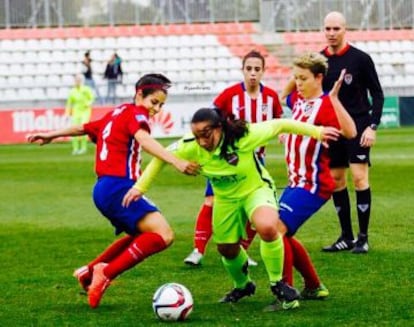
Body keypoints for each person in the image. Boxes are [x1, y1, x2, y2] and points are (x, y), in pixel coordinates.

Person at [124, 108, 341, 309]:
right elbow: (160, 157)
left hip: (255, 190)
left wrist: (318, 131)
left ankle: (279, 284)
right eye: (196, 135)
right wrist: (140, 187)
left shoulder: (244, 135)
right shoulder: (190, 145)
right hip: (225, 199)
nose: (201, 141)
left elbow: (280, 124)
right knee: (226, 249)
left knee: (267, 226)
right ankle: (243, 285)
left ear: (219, 128)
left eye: (205, 134)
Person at [27, 73, 200, 309]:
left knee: (142, 236)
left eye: (161, 105)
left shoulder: (116, 113)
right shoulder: (136, 114)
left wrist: (50, 135)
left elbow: (83, 128)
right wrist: (176, 161)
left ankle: (89, 272)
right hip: (119, 186)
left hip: (103, 189)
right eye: (154, 102)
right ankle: (105, 273)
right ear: (140, 94)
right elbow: (144, 139)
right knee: (164, 235)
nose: (157, 109)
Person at [183, 50, 283, 266]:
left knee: (254, 209)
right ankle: (197, 251)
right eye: (249, 69)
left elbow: (278, 120)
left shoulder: (271, 97)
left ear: (263, 71)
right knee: (211, 201)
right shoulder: (229, 95)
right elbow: (212, 119)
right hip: (226, 160)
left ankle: (243, 252)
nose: (253, 73)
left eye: (257, 69)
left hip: (256, 162)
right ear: (243, 70)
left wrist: (282, 134)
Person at [279, 52, 356, 298]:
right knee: (283, 233)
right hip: (296, 182)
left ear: (319, 77)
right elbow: (284, 95)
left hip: (313, 184)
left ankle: (286, 292)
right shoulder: (299, 101)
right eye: (296, 78)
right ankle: (313, 286)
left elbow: (351, 131)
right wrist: (300, 71)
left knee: (276, 230)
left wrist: (333, 97)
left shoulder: (325, 105)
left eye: (303, 79)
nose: (297, 84)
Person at [320, 11, 384, 254]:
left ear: (345, 29)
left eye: (336, 29)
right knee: (337, 181)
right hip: (333, 129)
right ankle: (345, 236)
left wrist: (372, 126)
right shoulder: (319, 62)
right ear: (323, 30)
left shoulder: (360, 59)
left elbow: (377, 94)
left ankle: (363, 238)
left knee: (359, 179)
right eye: (328, 29)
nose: (332, 33)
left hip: (358, 126)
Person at [65, 74, 95, 155]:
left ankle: (83, 148)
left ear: (81, 81)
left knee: (83, 129)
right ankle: (75, 148)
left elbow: (92, 98)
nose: (77, 82)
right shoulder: (72, 91)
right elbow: (69, 104)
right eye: (76, 80)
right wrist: (67, 113)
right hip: (76, 112)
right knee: (73, 130)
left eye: (78, 80)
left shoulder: (86, 89)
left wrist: (89, 103)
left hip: (85, 112)